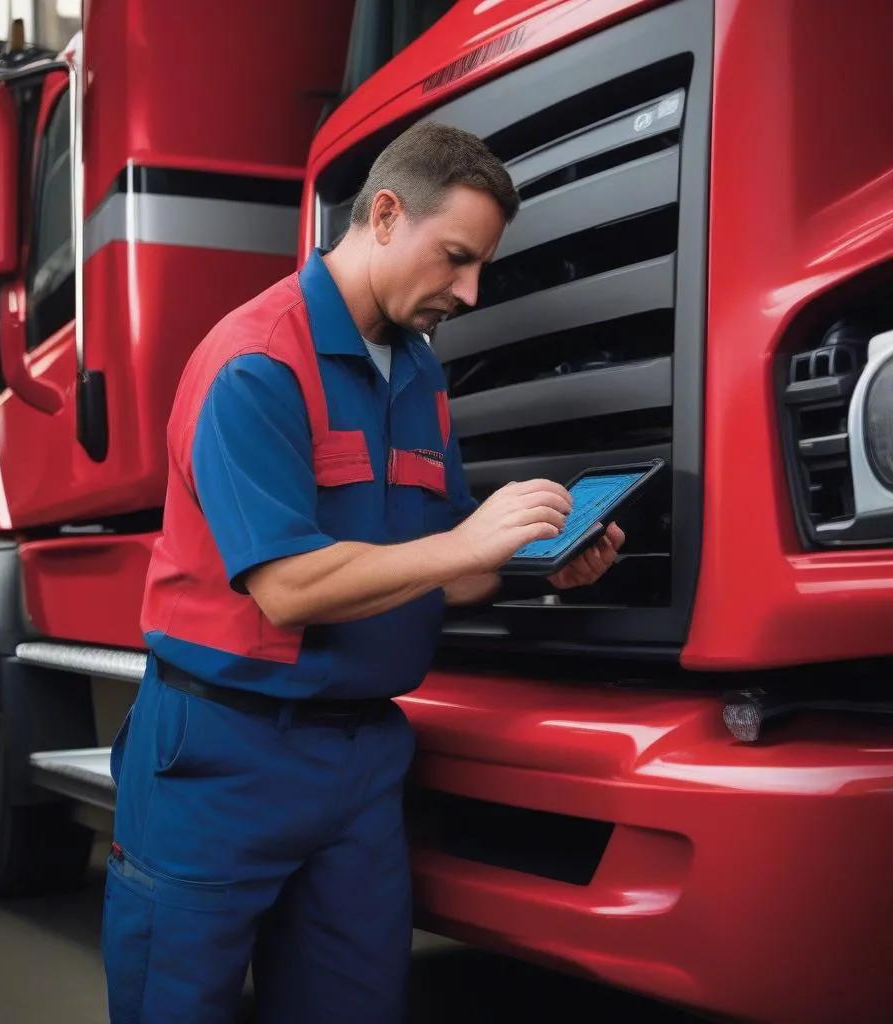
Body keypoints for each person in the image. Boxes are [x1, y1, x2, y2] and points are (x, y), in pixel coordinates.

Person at [101, 120, 625, 1024]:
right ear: (385, 215)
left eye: (481, 267)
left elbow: (434, 571)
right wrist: (467, 543)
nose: (468, 291)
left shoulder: (417, 376)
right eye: (456, 257)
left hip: (363, 761)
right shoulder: (256, 362)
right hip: (224, 755)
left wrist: (535, 564)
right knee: (176, 1007)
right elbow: (287, 587)